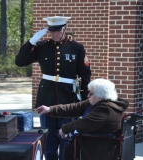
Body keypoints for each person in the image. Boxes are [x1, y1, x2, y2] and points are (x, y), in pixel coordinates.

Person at [15, 16, 91, 160]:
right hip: (47, 98)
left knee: (66, 141)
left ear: (65, 29)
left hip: (69, 99)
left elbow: (85, 75)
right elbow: (20, 62)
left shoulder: (76, 48)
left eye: (58, 31)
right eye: (52, 31)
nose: (54, 34)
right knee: (48, 144)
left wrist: (83, 101)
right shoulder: (42, 46)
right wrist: (31, 42)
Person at [36, 78, 129, 160]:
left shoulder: (106, 109)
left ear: (100, 95)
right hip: (92, 146)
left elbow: (84, 123)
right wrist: (50, 109)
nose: (88, 96)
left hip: (99, 150)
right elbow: (74, 107)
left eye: (91, 93)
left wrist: (65, 128)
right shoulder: (97, 102)